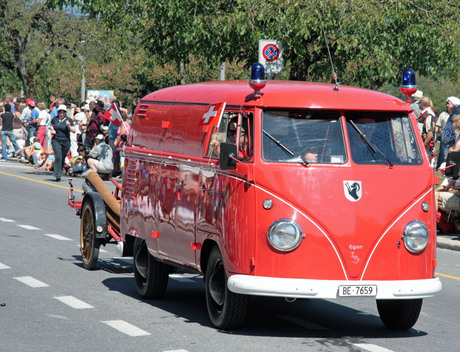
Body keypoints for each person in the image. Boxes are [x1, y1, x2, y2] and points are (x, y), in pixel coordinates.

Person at [50, 104, 75, 181]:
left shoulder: (68, 120)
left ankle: (60, 171)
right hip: (56, 139)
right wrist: (52, 130)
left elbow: (74, 130)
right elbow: (51, 125)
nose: (61, 113)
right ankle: (57, 173)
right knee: (58, 156)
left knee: (62, 157)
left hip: (65, 140)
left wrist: (69, 126)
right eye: (60, 112)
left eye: (63, 112)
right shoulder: (55, 119)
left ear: (65, 113)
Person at [437, 97, 460, 169]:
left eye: (449, 103)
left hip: (451, 142)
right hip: (448, 142)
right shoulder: (454, 113)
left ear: (455, 105)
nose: (447, 105)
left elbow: (453, 129)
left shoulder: (457, 113)